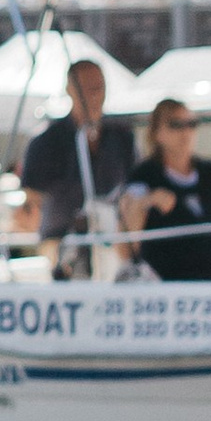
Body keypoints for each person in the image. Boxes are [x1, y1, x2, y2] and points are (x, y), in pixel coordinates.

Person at [17, 56, 134, 273]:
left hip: (111, 242)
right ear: (70, 90)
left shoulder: (122, 137)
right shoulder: (46, 141)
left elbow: (134, 188)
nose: (95, 94)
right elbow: (31, 204)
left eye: (99, 87)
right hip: (61, 244)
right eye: (87, 88)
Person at [121, 98, 211, 280]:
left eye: (191, 124)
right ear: (157, 133)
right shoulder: (145, 177)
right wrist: (146, 202)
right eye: (176, 125)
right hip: (178, 280)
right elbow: (125, 250)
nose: (186, 132)